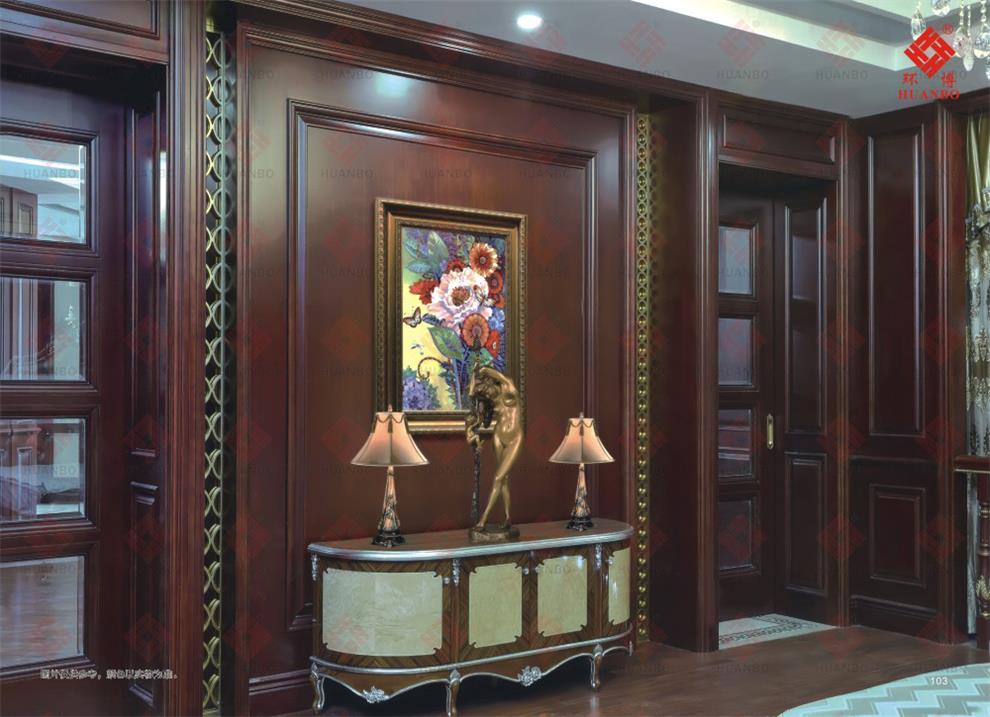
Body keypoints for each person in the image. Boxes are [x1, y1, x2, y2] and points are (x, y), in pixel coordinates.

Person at [466, 365, 522, 530]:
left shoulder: (507, 388)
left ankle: (483, 520)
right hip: (498, 436)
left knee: (498, 478)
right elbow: (471, 394)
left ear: (492, 382)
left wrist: (483, 369)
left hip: (514, 439)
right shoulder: (491, 398)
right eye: (484, 392)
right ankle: (508, 517)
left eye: (487, 389)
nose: (487, 394)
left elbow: (501, 378)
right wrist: (474, 375)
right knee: (503, 479)